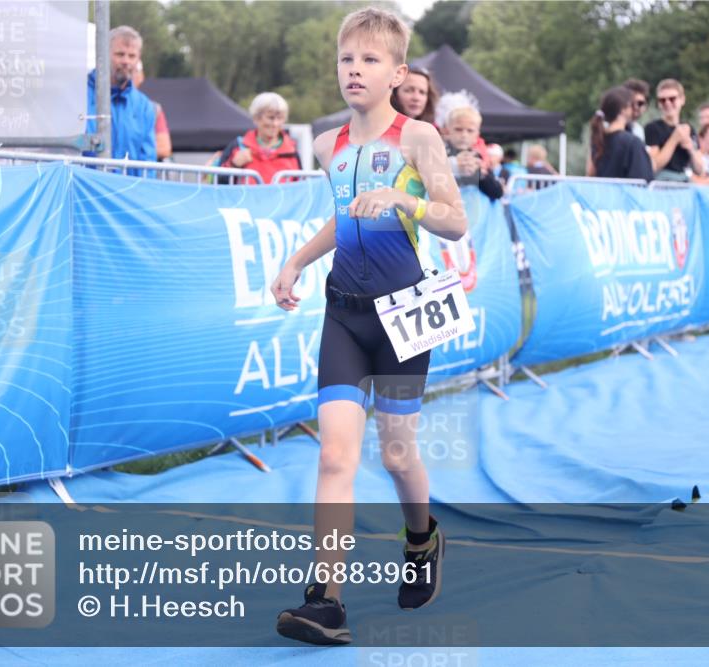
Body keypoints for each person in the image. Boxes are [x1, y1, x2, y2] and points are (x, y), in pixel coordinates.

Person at [270, 8, 467, 646]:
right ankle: (325, 600)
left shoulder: (419, 139)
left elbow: (454, 220)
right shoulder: (328, 145)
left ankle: (422, 538)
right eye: (346, 60)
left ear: (398, 73)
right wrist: (296, 260)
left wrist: (405, 199)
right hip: (343, 316)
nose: (354, 70)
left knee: (398, 453)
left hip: (404, 317)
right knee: (334, 454)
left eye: (370, 60)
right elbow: (343, 218)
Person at [84, 26, 156, 174]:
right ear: (103, 54)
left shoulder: (144, 106)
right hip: (85, 192)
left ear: (138, 58)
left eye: (132, 56)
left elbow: (148, 163)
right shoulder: (79, 96)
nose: (126, 61)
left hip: (124, 194)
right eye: (120, 54)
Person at [208, 92, 301, 184]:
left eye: (280, 118)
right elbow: (218, 184)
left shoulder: (292, 151)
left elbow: (300, 188)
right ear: (256, 118)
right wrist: (233, 165)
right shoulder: (239, 145)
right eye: (270, 118)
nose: (275, 124)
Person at [588, 86, 654, 181]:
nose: (635, 109)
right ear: (623, 109)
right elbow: (643, 182)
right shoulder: (633, 143)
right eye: (632, 105)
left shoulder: (598, 140)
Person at [643, 78, 704, 181]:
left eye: (672, 99)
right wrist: (674, 139)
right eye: (662, 100)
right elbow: (655, 165)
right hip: (662, 180)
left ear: (682, 100)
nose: (667, 103)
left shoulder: (689, 128)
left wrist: (690, 148)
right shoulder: (652, 128)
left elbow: (699, 169)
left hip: (684, 179)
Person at [442, 106, 503, 200]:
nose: (464, 135)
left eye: (470, 130)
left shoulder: (477, 158)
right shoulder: (439, 153)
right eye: (458, 129)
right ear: (447, 131)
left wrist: (481, 176)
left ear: (476, 135)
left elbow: (497, 192)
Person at [133, 60, 172, 160]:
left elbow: (164, 149)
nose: (130, 75)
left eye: (135, 71)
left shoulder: (153, 108)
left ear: (141, 77)